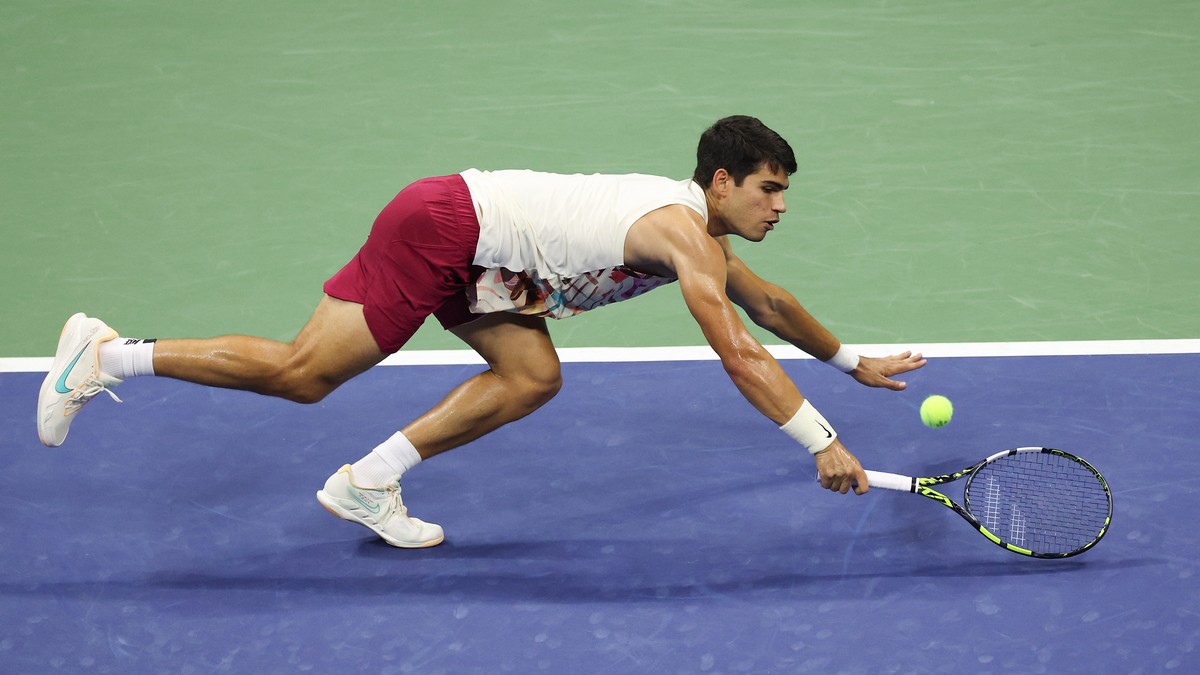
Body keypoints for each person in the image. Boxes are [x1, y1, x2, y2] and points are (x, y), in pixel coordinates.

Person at [37, 115, 926, 548]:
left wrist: (851, 363)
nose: (778, 207)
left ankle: (365, 484)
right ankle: (107, 353)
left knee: (532, 375)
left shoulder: (702, 235)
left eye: (785, 193)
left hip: (483, 260)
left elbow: (768, 306)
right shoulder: (678, 232)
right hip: (444, 227)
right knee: (307, 374)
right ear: (722, 181)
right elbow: (737, 346)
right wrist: (822, 441)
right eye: (768, 189)